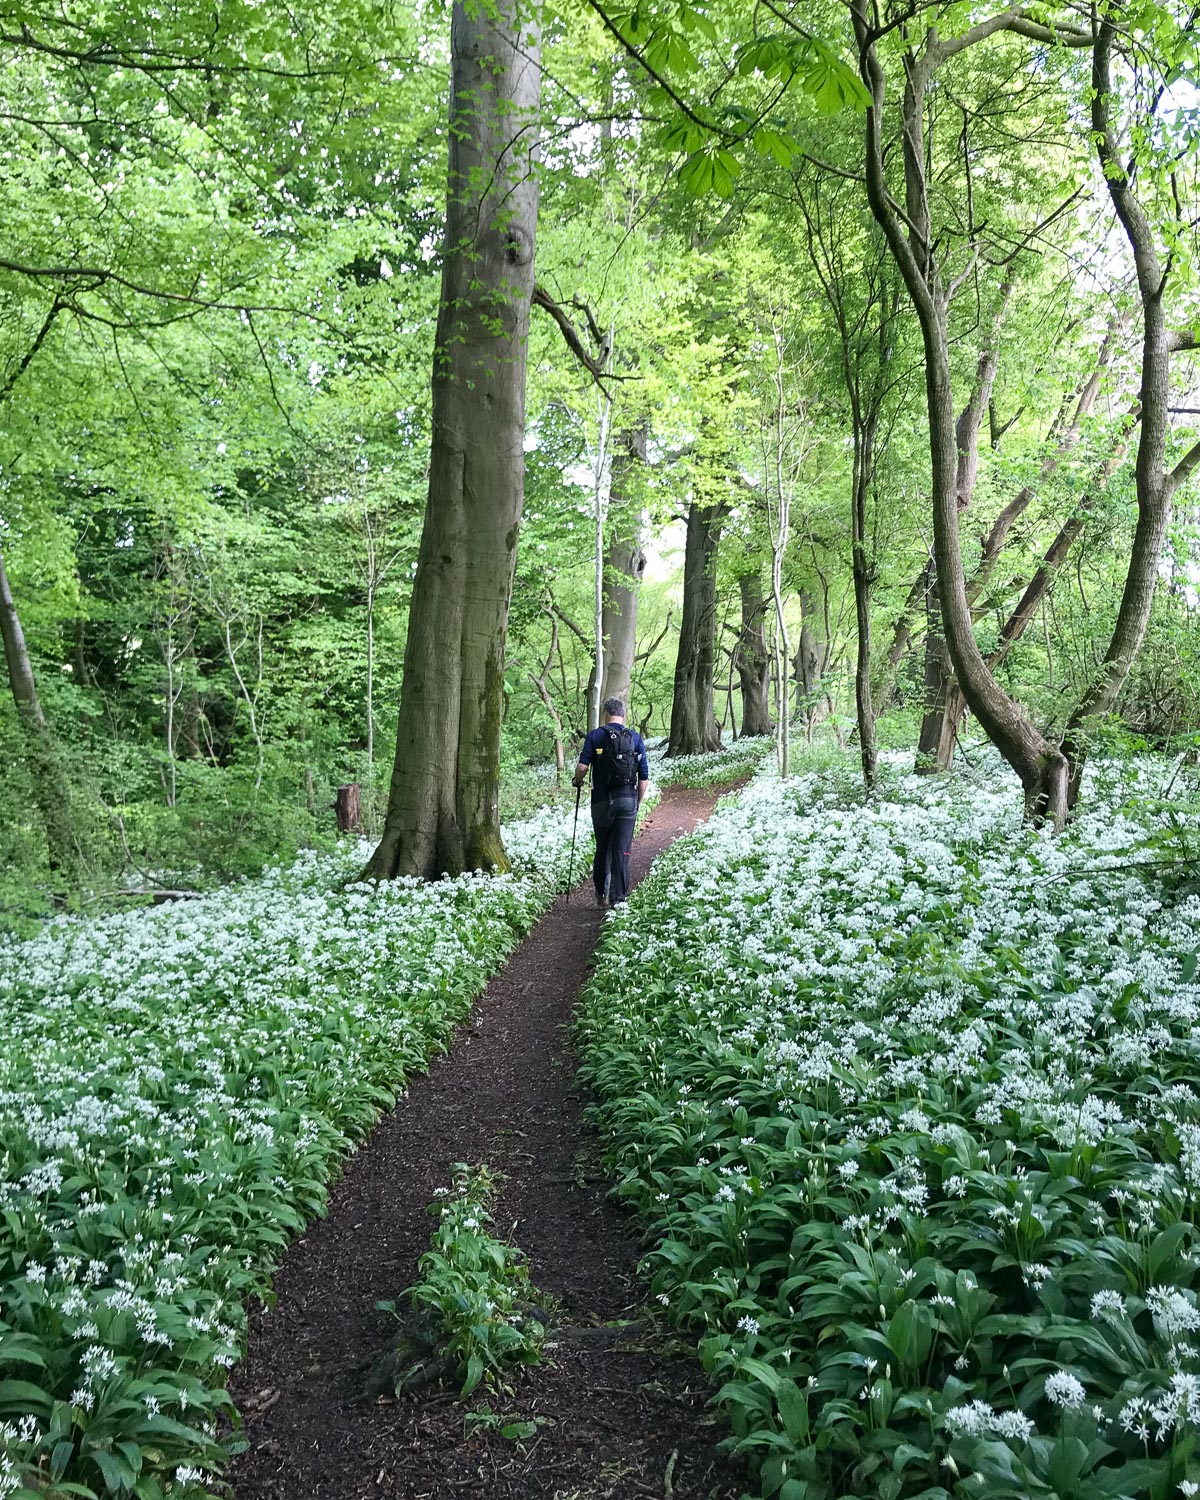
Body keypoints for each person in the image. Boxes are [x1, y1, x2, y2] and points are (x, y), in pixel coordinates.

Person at [572, 696, 649, 908]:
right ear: (624, 715)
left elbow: (582, 768)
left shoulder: (596, 736)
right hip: (627, 800)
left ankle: (601, 894)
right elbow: (643, 778)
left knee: (603, 847)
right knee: (622, 849)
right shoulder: (635, 738)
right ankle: (619, 899)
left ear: (606, 714)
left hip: (601, 801)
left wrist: (577, 781)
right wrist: (637, 802)